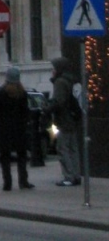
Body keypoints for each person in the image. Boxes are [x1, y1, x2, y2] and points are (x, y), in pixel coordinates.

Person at [0, 65, 34, 192]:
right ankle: (23, 181)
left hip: (4, 129)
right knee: (21, 155)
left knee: (5, 156)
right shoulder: (22, 94)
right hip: (19, 129)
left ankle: (7, 183)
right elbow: (25, 111)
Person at [49, 56, 82, 186]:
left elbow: (59, 102)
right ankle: (76, 175)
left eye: (54, 68)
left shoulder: (60, 82)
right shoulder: (72, 80)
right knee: (73, 148)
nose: (52, 71)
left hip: (64, 120)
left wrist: (48, 108)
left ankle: (68, 176)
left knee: (62, 148)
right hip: (73, 119)